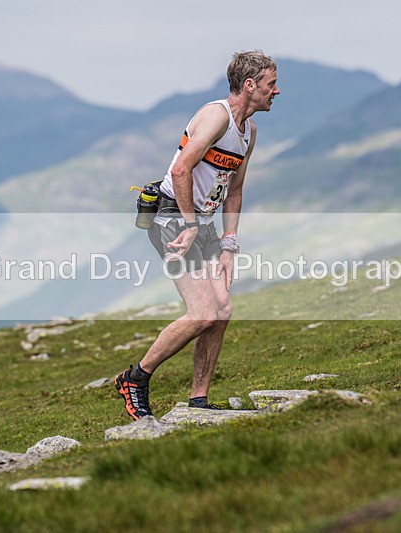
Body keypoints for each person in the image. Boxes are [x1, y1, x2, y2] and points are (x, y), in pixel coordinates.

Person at [114, 50, 280, 420]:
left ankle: (198, 401)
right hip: (173, 217)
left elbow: (234, 190)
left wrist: (229, 243)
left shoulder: (249, 132)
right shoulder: (216, 116)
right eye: (271, 84)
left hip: (201, 223)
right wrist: (189, 225)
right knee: (203, 312)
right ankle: (135, 378)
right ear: (250, 85)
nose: (277, 91)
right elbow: (181, 171)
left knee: (221, 311)